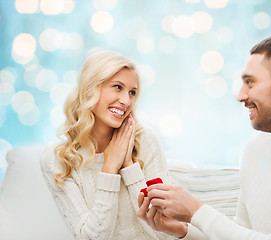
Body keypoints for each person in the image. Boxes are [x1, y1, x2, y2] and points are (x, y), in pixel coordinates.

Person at [137, 34, 271, 239]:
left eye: (250, 82)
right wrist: (183, 230)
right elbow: (240, 234)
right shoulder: (257, 150)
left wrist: (196, 211)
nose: (241, 96)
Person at [40, 50, 176, 239]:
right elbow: (91, 237)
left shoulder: (145, 140)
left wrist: (129, 166)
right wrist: (110, 168)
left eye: (132, 92)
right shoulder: (59, 160)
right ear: (89, 90)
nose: (126, 100)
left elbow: (166, 233)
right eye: (117, 87)